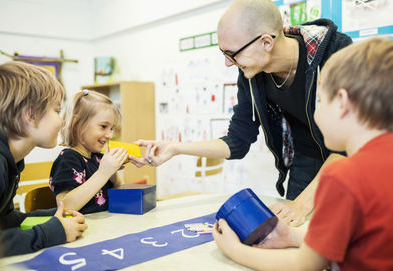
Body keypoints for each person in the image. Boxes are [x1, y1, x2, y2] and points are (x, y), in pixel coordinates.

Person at [129, 0, 352, 226]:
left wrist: (302, 204)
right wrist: (176, 148)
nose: (227, 63)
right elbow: (237, 140)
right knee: (298, 232)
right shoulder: (252, 73)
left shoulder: (336, 51)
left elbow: (350, 143)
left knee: (345, 232)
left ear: (266, 42)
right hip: (305, 159)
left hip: (348, 160)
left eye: (232, 54)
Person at [212, 37, 393, 270]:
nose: (314, 114)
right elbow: (363, 243)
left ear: (342, 103)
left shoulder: (342, 176)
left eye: (319, 100)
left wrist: (234, 250)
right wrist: (293, 237)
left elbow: (304, 265)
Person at [0, 61, 87, 257]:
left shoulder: (9, 160)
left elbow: (5, 220)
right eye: (56, 110)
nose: (61, 120)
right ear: (30, 115)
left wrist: (52, 217)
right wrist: (54, 232)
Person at [49, 89, 128, 214]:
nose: (109, 135)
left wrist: (113, 175)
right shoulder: (68, 159)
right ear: (78, 124)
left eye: (111, 128)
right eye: (103, 126)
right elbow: (65, 207)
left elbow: (121, 197)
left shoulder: (99, 158)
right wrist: (103, 173)